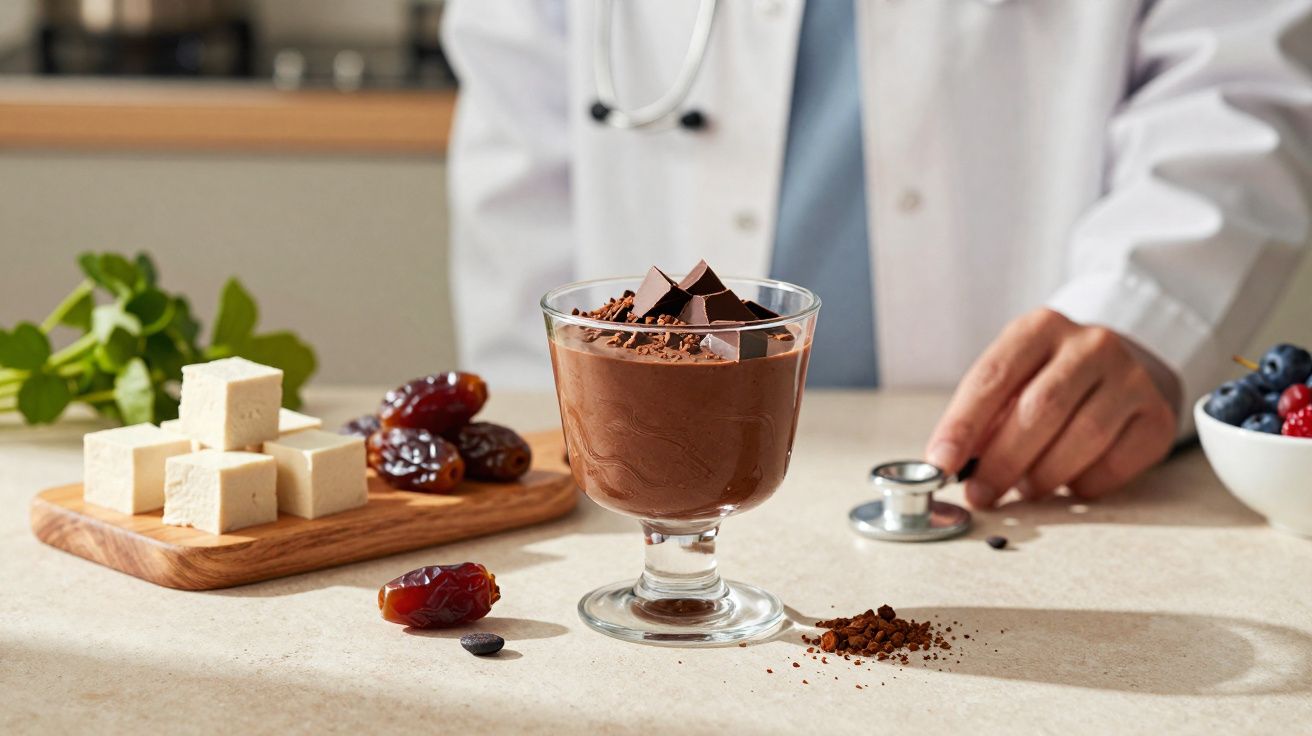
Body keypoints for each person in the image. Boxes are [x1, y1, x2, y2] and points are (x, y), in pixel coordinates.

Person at [440, 0, 1312, 508]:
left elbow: (1235, 76)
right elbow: (520, 128)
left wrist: (1144, 304)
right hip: (645, 476)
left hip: (1035, 472)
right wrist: (541, 438)